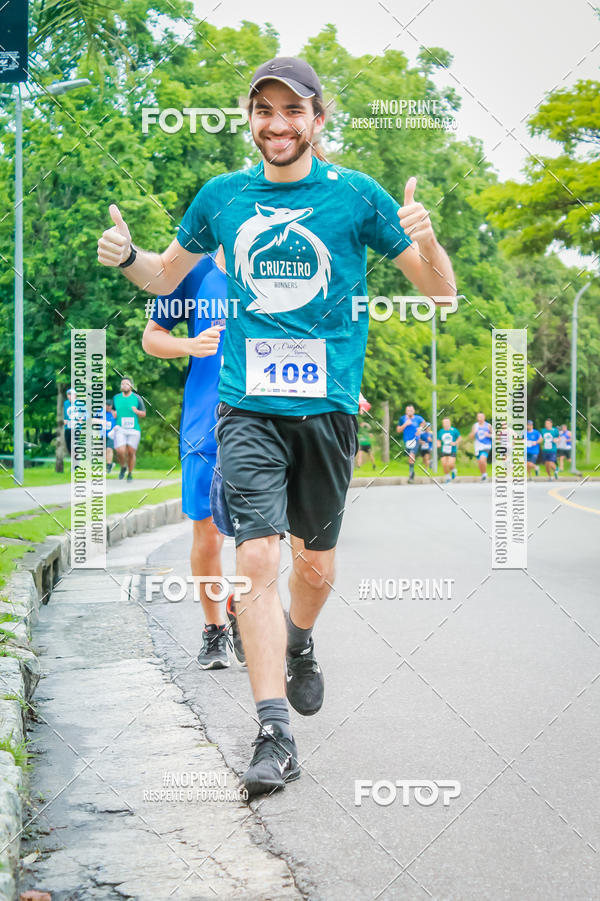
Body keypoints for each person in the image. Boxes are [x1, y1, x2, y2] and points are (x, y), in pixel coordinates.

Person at [97, 54, 456, 798]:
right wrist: (129, 256)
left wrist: (424, 237)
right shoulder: (222, 197)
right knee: (256, 559)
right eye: (264, 110)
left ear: (318, 119)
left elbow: (441, 292)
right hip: (246, 408)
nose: (277, 124)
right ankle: (273, 732)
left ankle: (300, 639)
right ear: (249, 118)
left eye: (293, 110)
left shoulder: (356, 196)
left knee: (315, 569)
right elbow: (166, 275)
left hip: (325, 413)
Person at [142, 247, 245, 669]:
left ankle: (244, 609)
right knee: (207, 535)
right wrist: (189, 344)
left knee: (261, 537)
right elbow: (151, 338)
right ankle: (214, 628)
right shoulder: (191, 271)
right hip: (204, 420)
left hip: (262, 417)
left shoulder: (271, 268)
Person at [112, 377, 146, 481]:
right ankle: (123, 467)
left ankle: (130, 473)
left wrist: (136, 411)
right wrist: (114, 414)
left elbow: (144, 414)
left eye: (126, 384)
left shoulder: (137, 398)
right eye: (122, 384)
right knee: (120, 451)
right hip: (120, 429)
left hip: (134, 429)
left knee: (131, 452)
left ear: (131, 386)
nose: (124, 386)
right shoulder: (116, 398)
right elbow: (113, 411)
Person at [396, 404, 425, 482]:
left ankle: (411, 476)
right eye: (408, 410)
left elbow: (424, 423)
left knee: (411, 456)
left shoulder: (418, 418)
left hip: (416, 440)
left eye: (411, 410)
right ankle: (412, 472)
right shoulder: (402, 419)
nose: (410, 412)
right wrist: (405, 424)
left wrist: (420, 429)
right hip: (407, 441)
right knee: (410, 458)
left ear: (414, 411)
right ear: (406, 411)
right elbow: (398, 430)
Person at [469, 412, 492, 481]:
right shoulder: (475, 426)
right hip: (478, 446)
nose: (480, 418)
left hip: (486, 446)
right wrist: (474, 432)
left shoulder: (488, 425)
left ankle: (484, 475)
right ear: (477, 418)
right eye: (479, 417)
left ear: (484, 417)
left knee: (482, 459)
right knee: (480, 462)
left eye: (481, 417)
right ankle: (483, 474)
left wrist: (489, 435)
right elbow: (471, 437)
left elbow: (495, 436)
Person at [437, 417, 460, 482]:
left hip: (452, 450)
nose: (446, 424)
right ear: (443, 424)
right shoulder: (441, 431)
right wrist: (438, 443)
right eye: (444, 422)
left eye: (447, 422)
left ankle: (453, 470)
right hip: (444, 450)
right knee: (444, 464)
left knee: (450, 464)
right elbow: (438, 439)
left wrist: (455, 443)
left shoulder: (454, 430)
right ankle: (448, 477)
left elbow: (459, 438)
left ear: (449, 423)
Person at [103, 400, 116, 473]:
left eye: (110, 406)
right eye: (107, 406)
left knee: (109, 449)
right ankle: (110, 464)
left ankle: (108, 466)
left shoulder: (114, 413)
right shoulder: (100, 412)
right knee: (103, 452)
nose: (108, 407)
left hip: (112, 434)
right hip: (102, 434)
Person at [63, 388, 76, 456]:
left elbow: (86, 415)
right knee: (68, 446)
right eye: (68, 395)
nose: (70, 396)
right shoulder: (66, 403)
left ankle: (76, 464)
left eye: (71, 395)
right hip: (67, 427)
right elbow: (64, 415)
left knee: (74, 446)